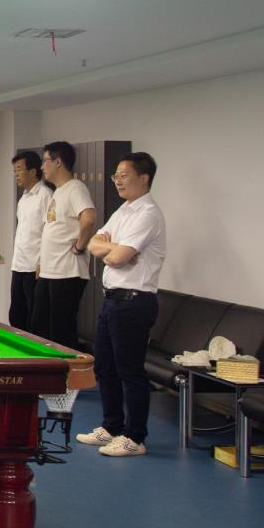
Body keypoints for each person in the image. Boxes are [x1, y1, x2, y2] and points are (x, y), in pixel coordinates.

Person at [79, 152, 167, 457]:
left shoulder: (148, 214)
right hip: (112, 300)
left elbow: (115, 258)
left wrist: (112, 249)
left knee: (130, 371)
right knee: (104, 366)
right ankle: (112, 427)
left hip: (134, 302)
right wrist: (115, 248)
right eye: (115, 175)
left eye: (123, 175)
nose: (117, 181)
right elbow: (93, 244)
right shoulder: (124, 210)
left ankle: (134, 437)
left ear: (144, 178)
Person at [31, 142, 97, 351]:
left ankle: (66, 370)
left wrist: (79, 247)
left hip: (67, 272)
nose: (42, 166)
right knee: (39, 328)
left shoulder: (75, 188)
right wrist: (42, 263)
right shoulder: (58, 192)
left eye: (45, 161)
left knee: (61, 331)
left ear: (58, 162)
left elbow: (89, 218)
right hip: (50, 271)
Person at [8, 150, 51, 333]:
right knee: (16, 315)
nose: (16, 174)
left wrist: (42, 262)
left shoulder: (45, 195)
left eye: (19, 169)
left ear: (33, 171)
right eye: (14, 170)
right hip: (19, 264)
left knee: (34, 318)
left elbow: (49, 231)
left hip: (35, 267)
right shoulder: (24, 198)